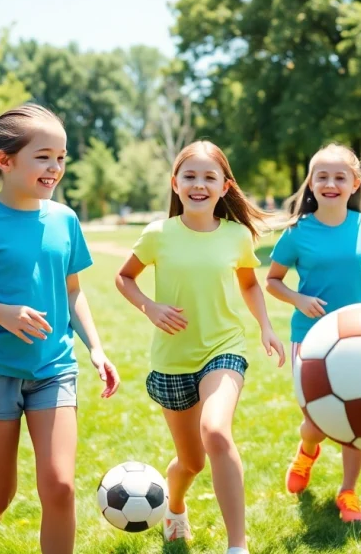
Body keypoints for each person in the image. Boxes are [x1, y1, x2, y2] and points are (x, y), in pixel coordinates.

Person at [0, 104, 119, 554]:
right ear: (5, 160)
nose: (55, 167)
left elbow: (73, 292)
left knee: (59, 486)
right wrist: (0, 313)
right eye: (44, 156)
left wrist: (95, 348)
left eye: (61, 156)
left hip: (55, 369)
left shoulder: (65, 220)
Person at [115, 141, 284, 554]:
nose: (198, 184)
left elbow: (248, 283)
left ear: (225, 187)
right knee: (191, 462)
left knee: (216, 431)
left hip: (223, 350)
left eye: (209, 177)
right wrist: (149, 307)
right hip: (171, 362)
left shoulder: (236, 236)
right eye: (189, 176)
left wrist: (265, 326)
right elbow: (124, 278)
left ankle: (237, 546)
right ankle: (174, 507)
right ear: (175, 184)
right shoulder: (158, 234)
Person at [266, 144, 361, 523]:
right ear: (311, 182)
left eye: (340, 177)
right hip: (311, 338)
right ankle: (307, 450)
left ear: (355, 183)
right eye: (321, 176)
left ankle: (348, 492)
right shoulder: (297, 232)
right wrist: (298, 298)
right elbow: (273, 281)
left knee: (357, 418)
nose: (330, 183)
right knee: (316, 422)